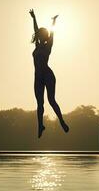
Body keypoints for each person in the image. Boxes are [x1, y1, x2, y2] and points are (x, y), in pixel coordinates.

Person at [29, 9, 70, 138]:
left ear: (44, 36)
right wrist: (34, 17)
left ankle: (62, 121)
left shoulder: (48, 45)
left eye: (42, 35)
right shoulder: (36, 46)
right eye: (39, 35)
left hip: (47, 75)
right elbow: (35, 30)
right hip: (38, 77)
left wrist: (53, 22)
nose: (39, 36)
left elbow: (52, 33)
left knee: (51, 100)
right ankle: (40, 125)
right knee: (39, 103)